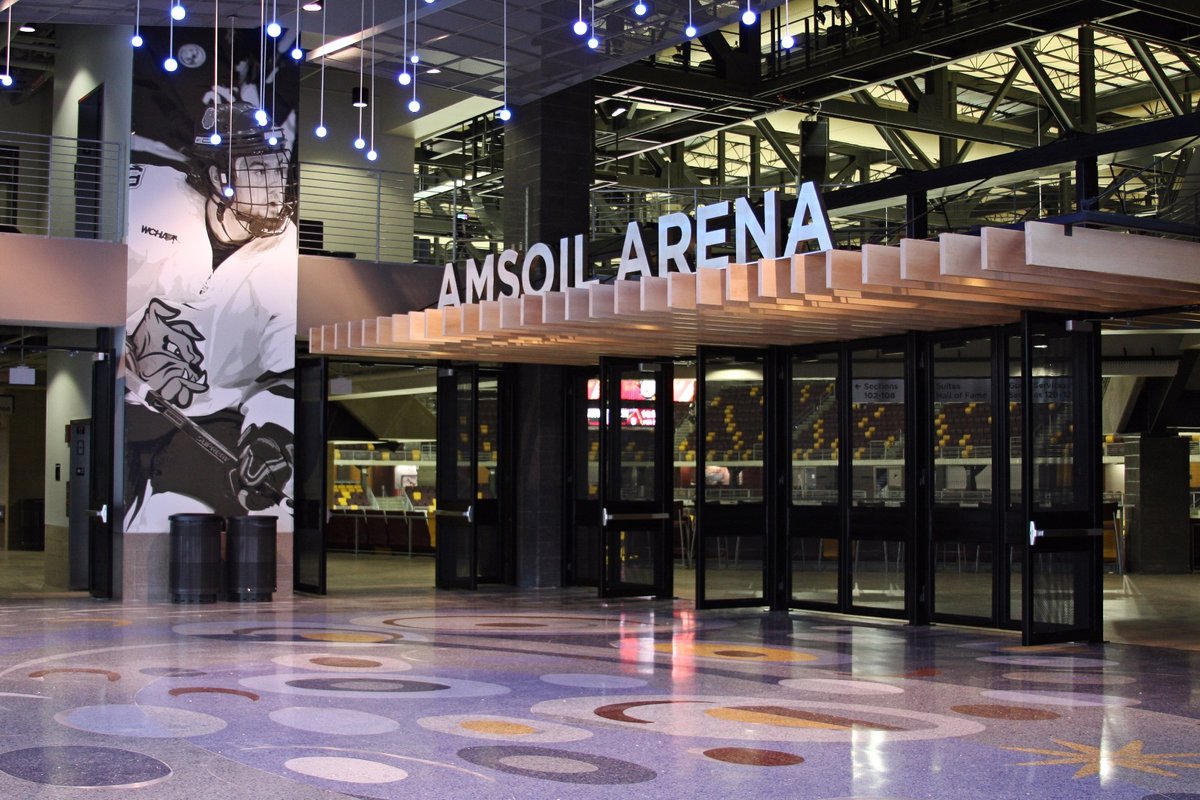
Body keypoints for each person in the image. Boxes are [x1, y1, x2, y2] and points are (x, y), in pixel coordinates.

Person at [124, 101, 297, 531]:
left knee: (166, 521)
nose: (274, 186)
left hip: (216, 422)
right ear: (219, 175)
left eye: (277, 170)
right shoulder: (148, 200)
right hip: (127, 404)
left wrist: (270, 437)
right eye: (258, 171)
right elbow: (91, 281)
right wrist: (107, 349)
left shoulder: (288, 257)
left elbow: (283, 376)